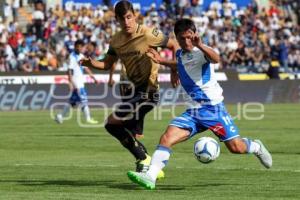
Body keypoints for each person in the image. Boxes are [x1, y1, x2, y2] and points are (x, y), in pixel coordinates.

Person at [127, 18, 273, 190]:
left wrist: (201, 44)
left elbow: (216, 58)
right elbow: (181, 63)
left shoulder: (202, 52)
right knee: (167, 137)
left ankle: (256, 146)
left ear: (195, 34)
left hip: (213, 110)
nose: (187, 41)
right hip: (193, 113)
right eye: (182, 39)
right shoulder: (180, 54)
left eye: (189, 37)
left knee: (236, 148)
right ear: (177, 38)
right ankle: (150, 177)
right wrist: (163, 62)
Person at [81, 0, 179, 175]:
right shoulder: (116, 41)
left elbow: (173, 45)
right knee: (114, 126)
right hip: (133, 92)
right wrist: (91, 63)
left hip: (149, 92)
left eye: (129, 17)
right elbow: (107, 63)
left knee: (114, 123)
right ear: (117, 20)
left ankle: (144, 159)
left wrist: (173, 69)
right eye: (122, 19)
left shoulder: (149, 34)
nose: (127, 22)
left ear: (134, 16)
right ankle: (146, 162)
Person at [55, 39, 99, 124]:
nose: (79, 48)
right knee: (84, 99)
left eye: (81, 47)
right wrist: (70, 83)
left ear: (83, 47)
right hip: (77, 83)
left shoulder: (81, 56)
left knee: (72, 102)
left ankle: (60, 116)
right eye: (77, 47)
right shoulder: (72, 57)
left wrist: (94, 78)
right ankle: (88, 118)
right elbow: (69, 71)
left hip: (80, 82)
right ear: (75, 47)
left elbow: (86, 68)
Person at [108, 63, 144, 139]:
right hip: (138, 75)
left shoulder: (121, 50)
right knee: (137, 104)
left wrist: (110, 78)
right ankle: (137, 132)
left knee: (128, 105)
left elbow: (113, 62)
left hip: (126, 76)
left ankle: (134, 132)